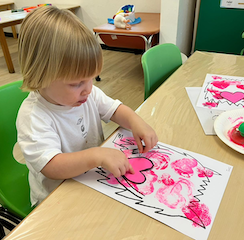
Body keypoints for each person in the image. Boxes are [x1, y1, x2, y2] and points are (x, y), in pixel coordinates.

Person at [16, 6, 158, 206]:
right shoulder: (34, 116)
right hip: (57, 200)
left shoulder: (86, 95)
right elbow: (51, 166)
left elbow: (115, 109)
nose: (88, 89)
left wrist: (136, 122)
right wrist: (97, 155)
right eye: (76, 83)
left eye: (91, 79)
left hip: (94, 181)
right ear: (39, 76)